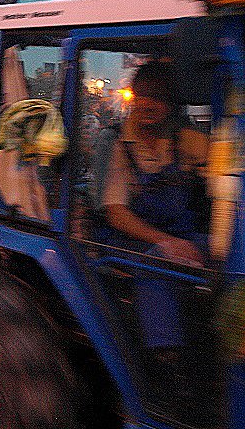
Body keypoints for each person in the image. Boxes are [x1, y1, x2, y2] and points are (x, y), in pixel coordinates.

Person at [102, 61, 208, 355]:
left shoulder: (183, 139)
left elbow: (223, 164)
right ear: (134, 98)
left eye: (158, 97)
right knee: (155, 263)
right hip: (134, 241)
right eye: (144, 95)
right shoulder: (117, 144)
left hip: (183, 234)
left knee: (226, 254)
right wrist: (167, 242)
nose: (149, 104)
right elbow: (116, 212)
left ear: (170, 105)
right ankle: (167, 359)